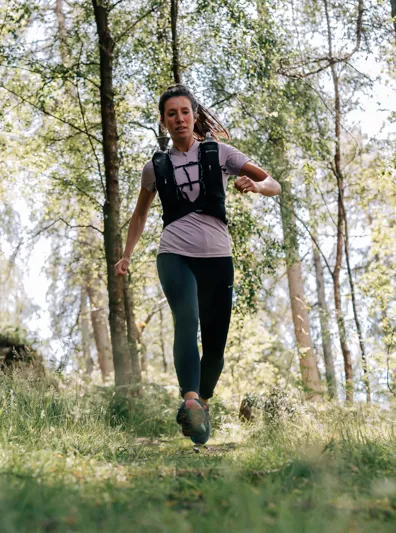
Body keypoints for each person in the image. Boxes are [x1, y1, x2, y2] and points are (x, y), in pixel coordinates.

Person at [114, 84, 280, 444]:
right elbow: (140, 215)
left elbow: (273, 183)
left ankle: (202, 405)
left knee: (216, 344)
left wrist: (256, 186)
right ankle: (189, 399)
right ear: (163, 122)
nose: (179, 119)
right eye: (171, 114)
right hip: (173, 253)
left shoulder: (220, 153)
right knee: (186, 320)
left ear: (194, 115)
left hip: (218, 257)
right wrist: (127, 253)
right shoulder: (154, 167)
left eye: (184, 112)